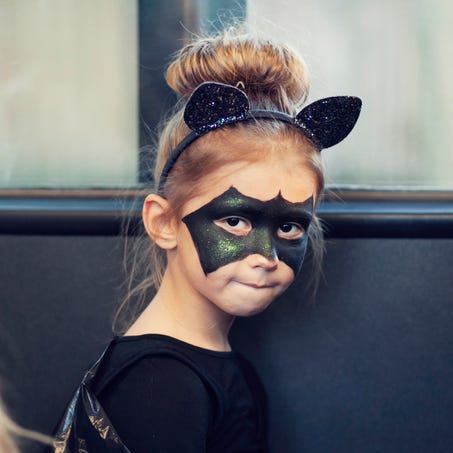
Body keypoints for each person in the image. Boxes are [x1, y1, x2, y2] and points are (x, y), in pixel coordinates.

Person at [51, 27, 361, 452]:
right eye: (235, 220)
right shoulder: (160, 384)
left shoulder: (211, 371)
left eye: (289, 227)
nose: (268, 256)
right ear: (163, 222)